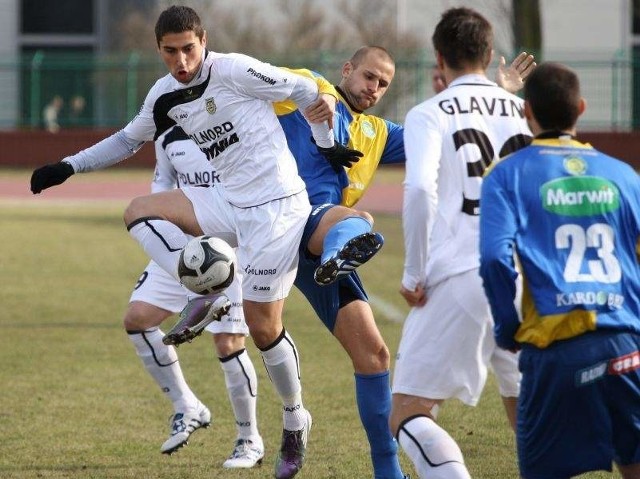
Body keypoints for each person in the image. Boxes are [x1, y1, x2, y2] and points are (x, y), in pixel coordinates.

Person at [29, 6, 360, 479]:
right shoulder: (164, 95)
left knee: (264, 329)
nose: (181, 60)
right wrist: (67, 166)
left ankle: (294, 418)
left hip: (277, 209)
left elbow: (308, 90)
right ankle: (205, 287)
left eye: (189, 48)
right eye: (170, 51)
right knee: (138, 210)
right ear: (159, 50)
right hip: (227, 202)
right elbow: (127, 140)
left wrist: (326, 142)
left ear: (203, 41)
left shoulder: (235, 70)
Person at [270, 46, 534, 479]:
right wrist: (319, 90)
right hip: (278, 224)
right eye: (368, 76)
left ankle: (387, 473)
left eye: (382, 84)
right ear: (347, 68)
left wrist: (495, 92)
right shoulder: (304, 95)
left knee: (374, 355)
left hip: (317, 243)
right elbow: (258, 75)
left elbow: (449, 136)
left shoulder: (377, 132)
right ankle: (344, 242)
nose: (373, 88)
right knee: (358, 222)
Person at [389, 8, 534, 479]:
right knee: (525, 413)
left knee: (408, 410)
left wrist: (414, 272)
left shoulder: (428, 113)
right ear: (490, 54)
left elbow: (418, 191)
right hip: (524, 275)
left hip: (463, 273)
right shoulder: (521, 111)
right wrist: (503, 92)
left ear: (438, 57)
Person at [479, 62, 640, 479]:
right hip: (626, 345)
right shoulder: (625, 176)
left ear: (525, 110)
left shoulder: (506, 175)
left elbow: (495, 258)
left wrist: (506, 328)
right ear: (581, 108)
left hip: (554, 350)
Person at [127, 124, 264, 466]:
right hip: (184, 251)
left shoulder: (232, 121)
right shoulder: (167, 135)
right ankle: (187, 406)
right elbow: (160, 189)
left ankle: (249, 440)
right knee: (138, 319)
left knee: (228, 342)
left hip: (228, 251)